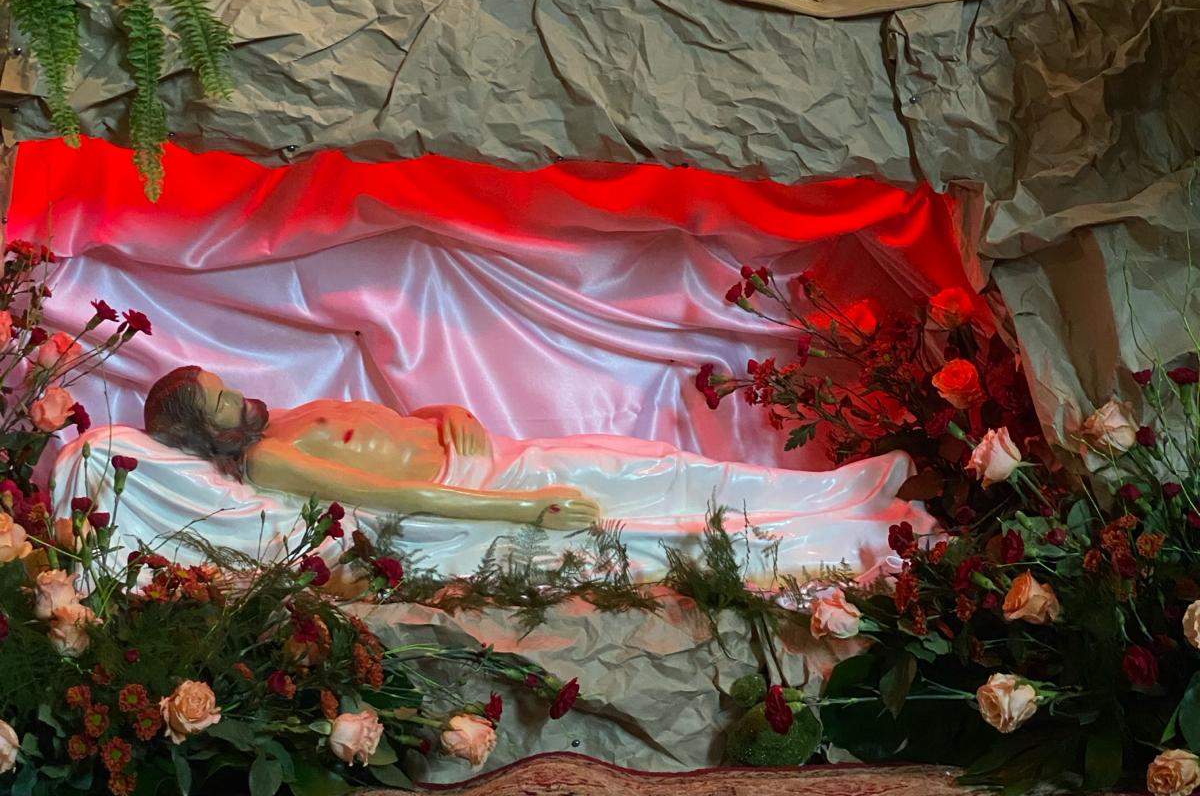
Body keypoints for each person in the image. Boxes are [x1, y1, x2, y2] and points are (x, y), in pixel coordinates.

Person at [142, 365, 926, 548]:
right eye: (220, 403)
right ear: (204, 433)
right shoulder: (272, 459)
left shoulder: (286, 415)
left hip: (486, 451)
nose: (236, 396)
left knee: (656, 461)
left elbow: (396, 422)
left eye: (222, 386)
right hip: (483, 486)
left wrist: (448, 411)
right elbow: (393, 498)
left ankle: (838, 491)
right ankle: (838, 514)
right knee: (656, 482)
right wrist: (521, 510)